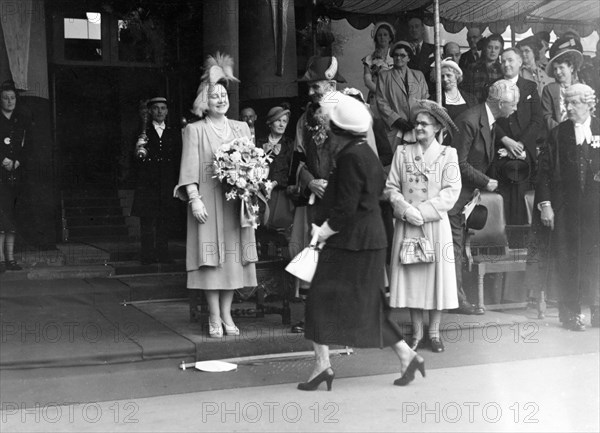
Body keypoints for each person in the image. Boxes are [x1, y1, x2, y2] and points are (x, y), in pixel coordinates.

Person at [299, 93, 425, 391]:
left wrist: (322, 232)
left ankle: (322, 366)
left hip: (351, 243)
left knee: (318, 300)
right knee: (369, 305)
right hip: (367, 241)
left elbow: (345, 207)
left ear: (339, 130)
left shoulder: (350, 157)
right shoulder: (364, 152)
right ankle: (407, 356)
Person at [174, 53, 257, 338]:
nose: (220, 99)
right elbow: (188, 169)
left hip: (235, 204)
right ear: (203, 103)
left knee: (233, 261)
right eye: (214, 96)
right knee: (211, 262)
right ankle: (213, 316)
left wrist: (252, 187)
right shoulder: (194, 130)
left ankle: (227, 314)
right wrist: (194, 198)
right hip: (208, 203)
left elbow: (253, 164)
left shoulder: (241, 127)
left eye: (223, 95)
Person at [384, 100, 461, 353]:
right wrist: (405, 210)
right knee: (414, 279)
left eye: (424, 123)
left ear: (438, 126)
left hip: (434, 225)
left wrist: (423, 212)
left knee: (436, 278)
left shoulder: (448, 154)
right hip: (409, 225)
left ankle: (435, 332)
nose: (418, 126)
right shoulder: (403, 152)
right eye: (416, 123)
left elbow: (452, 192)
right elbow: (391, 188)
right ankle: (416, 333)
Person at [448, 79, 520, 315]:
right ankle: (456, 300)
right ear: (501, 103)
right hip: (454, 198)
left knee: (456, 248)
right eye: (514, 104)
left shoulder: (488, 120)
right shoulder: (470, 121)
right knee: (455, 249)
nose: (516, 109)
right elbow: (458, 162)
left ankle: (456, 298)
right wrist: (485, 181)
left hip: (466, 197)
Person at [289, 55, 346, 334]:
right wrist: (310, 182)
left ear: (332, 85)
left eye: (316, 87)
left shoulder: (352, 116)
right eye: (309, 87)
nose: (310, 92)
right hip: (315, 200)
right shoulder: (304, 119)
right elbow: (297, 159)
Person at [535, 83, 599, 330]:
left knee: (596, 257)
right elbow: (544, 172)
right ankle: (569, 314)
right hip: (566, 207)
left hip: (596, 208)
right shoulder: (558, 133)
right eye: (566, 103)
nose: (569, 108)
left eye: (574, 103)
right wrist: (546, 205)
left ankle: (597, 308)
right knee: (568, 259)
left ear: (588, 104)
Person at [493, 47, 543, 225]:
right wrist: (506, 141)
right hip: (501, 149)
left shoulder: (530, 87)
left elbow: (537, 120)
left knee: (522, 196)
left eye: (510, 60)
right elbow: (490, 119)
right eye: (503, 61)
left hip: (524, 151)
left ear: (520, 62)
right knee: (503, 195)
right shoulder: (493, 87)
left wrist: (520, 144)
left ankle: (521, 242)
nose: (506, 64)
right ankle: (502, 239)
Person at [131, 96, 181, 265]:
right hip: (148, 182)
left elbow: (177, 157)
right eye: (156, 108)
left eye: (163, 108)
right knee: (147, 220)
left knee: (164, 220)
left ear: (167, 112)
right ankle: (147, 255)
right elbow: (134, 158)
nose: (160, 111)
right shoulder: (142, 130)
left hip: (166, 181)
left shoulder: (173, 132)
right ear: (150, 111)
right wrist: (138, 148)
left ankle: (163, 253)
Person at [376, 41, 429, 151]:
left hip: (416, 127)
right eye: (396, 55)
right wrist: (397, 120)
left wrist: (418, 119)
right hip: (395, 128)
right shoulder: (384, 76)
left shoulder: (418, 75)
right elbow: (381, 102)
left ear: (408, 58)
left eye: (402, 55)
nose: (398, 58)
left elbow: (425, 99)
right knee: (397, 160)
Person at [0, 81, 30, 273]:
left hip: (15, 173)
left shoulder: (20, 119)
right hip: (0, 172)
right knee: (1, 220)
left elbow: (26, 144)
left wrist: (17, 161)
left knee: (12, 219)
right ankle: (1, 260)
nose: (10, 101)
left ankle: (10, 259)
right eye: (5, 98)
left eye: (12, 98)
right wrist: (3, 160)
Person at [256, 103, 295, 233]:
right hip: (260, 192)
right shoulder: (259, 143)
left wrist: (273, 183)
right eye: (278, 120)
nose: (281, 124)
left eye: (284, 121)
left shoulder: (290, 145)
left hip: (280, 193)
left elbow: (290, 170)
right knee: (259, 227)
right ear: (270, 123)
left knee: (279, 228)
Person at [541, 36, 585, 134]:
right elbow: (546, 116)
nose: (558, 72)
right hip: (557, 134)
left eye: (561, 68)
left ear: (571, 68)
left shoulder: (581, 88)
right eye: (555, 69)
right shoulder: (549, 89)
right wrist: (563, 131)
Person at [361, 21, 395, 112]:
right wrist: (381, 93)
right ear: (376, 38)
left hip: (394, 97)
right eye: (379, 35)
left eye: (385, 35)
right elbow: (367, 81)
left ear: (390, 37)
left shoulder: (396, 57)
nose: (382, 37)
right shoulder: (369, 59)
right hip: (375, 98)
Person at [462, 34, 504, 103]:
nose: (493, 51)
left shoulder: (502, 69)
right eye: (490, 47)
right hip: (476, 107)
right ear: (485, 48)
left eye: (496, 48)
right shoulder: (473, 67)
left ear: (500, 50)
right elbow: (466, 91)